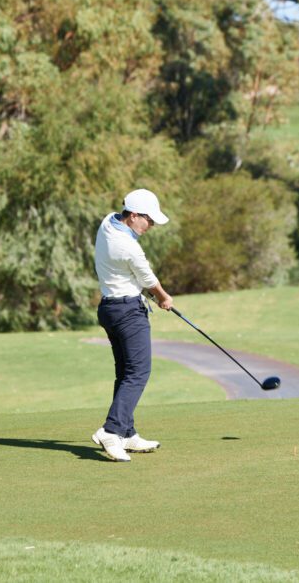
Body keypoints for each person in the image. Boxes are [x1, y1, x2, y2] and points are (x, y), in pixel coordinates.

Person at [91, 188, 174, 462]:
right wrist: (164, 298)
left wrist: (149, 293)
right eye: (148, 220)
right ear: (134, 215)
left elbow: (133, 276)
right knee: (138, 372)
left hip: (109, 308)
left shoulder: (108, 222)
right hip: (128, 313)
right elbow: (148, 280)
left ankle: (126, 433)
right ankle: (111, 431)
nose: (151, 226)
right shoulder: (129, 247)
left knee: (125, 373)